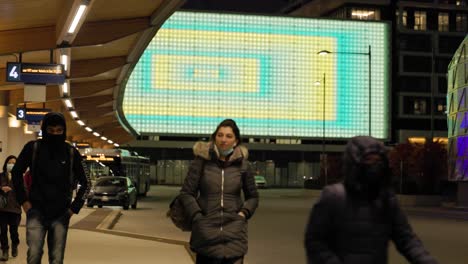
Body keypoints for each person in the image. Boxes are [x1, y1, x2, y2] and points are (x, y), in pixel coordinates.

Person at [304, 136, 438, 264]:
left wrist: (426, 261)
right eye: (369, 160)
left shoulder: (386, 199)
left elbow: (406, 239)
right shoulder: (333, 197)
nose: (374, 167)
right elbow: (315, 242)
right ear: (355, 164)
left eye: (378, 161)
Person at [12, 112, 90, 264]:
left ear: (64, 131)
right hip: (36, 210)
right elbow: (16, 173)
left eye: (59, 131)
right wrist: (24, 202)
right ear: (44, 130)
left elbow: (87, 182)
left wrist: (74, 209)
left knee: (56, 258)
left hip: (61, 214)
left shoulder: (71, 153)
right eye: (51, 130)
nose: (55, 134)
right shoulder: (32, 148)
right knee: (33, 256)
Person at [179, 119, 259, 264]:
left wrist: (243, 214)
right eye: (220, 135)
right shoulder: (201, 161)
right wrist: (197, 216)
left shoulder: (243, 165)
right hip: (205, 233)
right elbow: (186, 193)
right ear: (214, 137)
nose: (223, 140)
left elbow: (253, 197)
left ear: (235, 141)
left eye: (229, 136)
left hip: (235, 233)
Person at [0, 155, 21, 261]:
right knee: (2, 230)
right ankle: (4, 250)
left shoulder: (19, 177)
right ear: (6, 164)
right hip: (2, 208)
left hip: (15, 208)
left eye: (13, 163)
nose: (11, 165)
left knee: (14, 230)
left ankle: (14, 244)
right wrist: (1, 188)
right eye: (9, 162)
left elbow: (24, 191)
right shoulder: (1, 176)